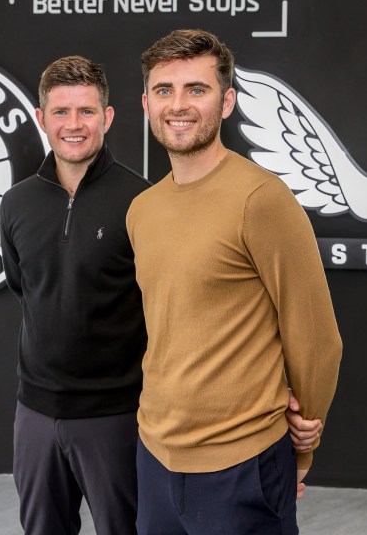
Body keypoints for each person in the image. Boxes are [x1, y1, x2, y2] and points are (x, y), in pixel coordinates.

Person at [127, 29, 343, 534]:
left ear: (227, 103)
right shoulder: (142, 209)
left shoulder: (260, 200)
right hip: (155, 454)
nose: (178, 105)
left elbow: (315, 337)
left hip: (242, 462)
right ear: (145, 103)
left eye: (196, 90)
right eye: (164, 90)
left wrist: (304, 444)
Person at [0, 56, 149, 535]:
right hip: (36, 413)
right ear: (41, 119)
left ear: (107, 117)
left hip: (118, 415)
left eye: (86, 111)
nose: (74, 125)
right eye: (61, 112)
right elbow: (24, 285)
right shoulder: (16, 203)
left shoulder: (142, 201)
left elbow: (159, 304)